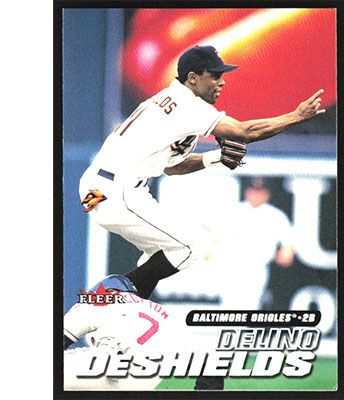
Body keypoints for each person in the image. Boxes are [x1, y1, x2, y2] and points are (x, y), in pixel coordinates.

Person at [79, 45, 325, 301]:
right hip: (117, 190)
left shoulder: (169, 102)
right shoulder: (187, 104)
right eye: (215, 75)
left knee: (161, 254)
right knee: (192, 246)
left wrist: (216, 157)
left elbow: (171, 167)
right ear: (193, 78)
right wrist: (296, 117)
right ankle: (110, 297)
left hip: (96, 190)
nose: (222, 81)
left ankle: (123, 306)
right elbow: (244, 132)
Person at [63, 274, 223, 390]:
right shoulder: (163, 314)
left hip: (112, 367)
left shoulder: (102, 300)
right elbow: (210, 363)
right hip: (148, 379)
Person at [211, 177, 295, 310]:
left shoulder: (276, 216)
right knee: (228, 307)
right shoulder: (233, 212)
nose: (256, 195)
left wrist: (284, 254)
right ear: (247, 192)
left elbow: (288, 248)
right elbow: (214, 240)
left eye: (260, 191)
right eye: (253, 190)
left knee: (249, 307)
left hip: (256, 270)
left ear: (267, 194)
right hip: (231, 268)